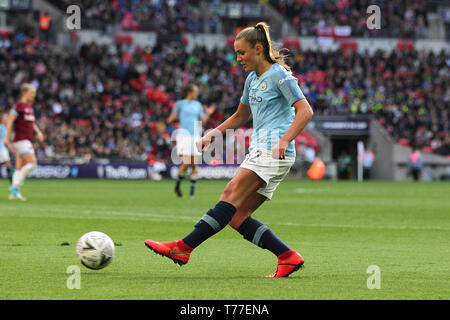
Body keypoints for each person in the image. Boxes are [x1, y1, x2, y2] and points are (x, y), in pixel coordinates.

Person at [145, 22, 314, 278]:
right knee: (237, 217)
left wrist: (284, 140)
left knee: (229, 194)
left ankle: (182, 248)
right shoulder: (251, 79)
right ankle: (287, 256)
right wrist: (213, 133)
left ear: (258, 49)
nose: (238, 58)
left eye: (242, 52)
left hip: (273, 148)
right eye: (236, 53)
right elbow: (240, 116)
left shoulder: (279, 75)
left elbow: (305, 110)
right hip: (264, 150)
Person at [167, 83, 215, 198]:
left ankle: (191, 192)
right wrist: (175, 119)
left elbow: (203, 121)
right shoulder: (180, 104)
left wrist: (208, 114)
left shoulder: (198, 105)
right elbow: (170, 119)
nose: (197, 93)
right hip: (184, 135)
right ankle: (177, 186)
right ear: (190, 92)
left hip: (196, 135)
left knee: (194, 164)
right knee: (187, 161)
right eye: (195, 91)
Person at [4, 84, 44, 200]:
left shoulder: (29, 107)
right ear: (24, 92)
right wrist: (6, 138)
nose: (33, 96)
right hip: (21, 140)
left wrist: (38, 132)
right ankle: (15, 186)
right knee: (32, 164)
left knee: (19, 167)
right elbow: (10, 121)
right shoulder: (19, 106)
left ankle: (13, 194)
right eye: (32, 93)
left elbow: (32, 123)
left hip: (25, 140)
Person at [0, 112, 14, 182]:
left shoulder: (3, 127)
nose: (7, 119)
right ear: (1, 119)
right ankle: (13, 182)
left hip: (3, 148)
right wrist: (11, 148)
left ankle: (13, 182)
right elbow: (4, 140)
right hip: (1, 149)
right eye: (5, 118)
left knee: (8, 164)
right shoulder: (1, 127)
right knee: (8, 165)